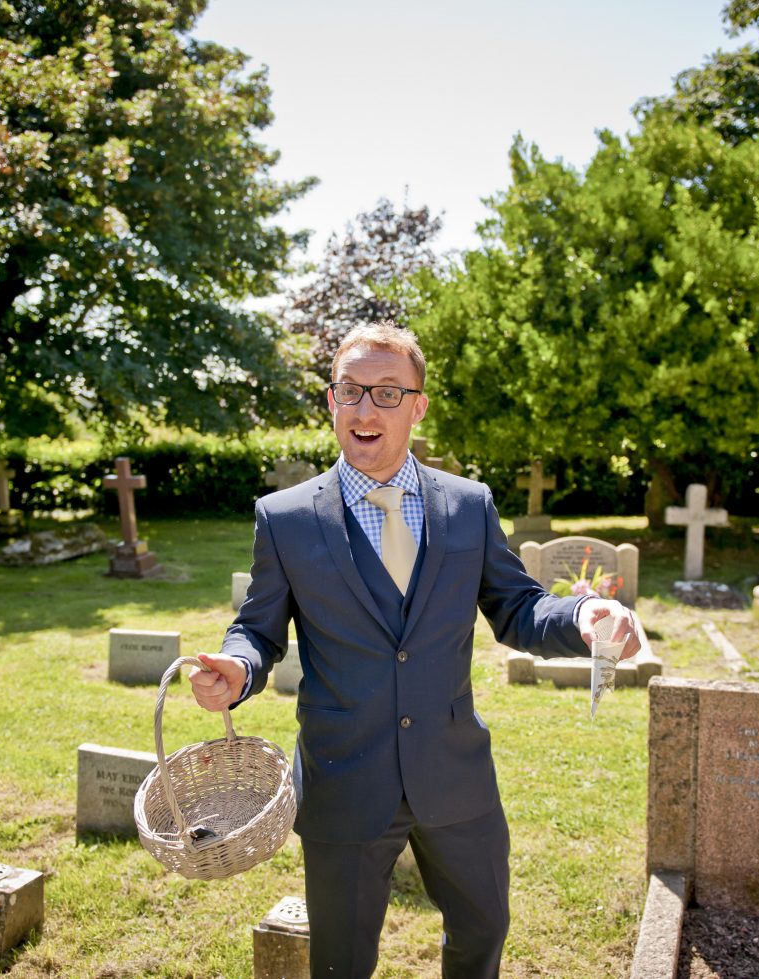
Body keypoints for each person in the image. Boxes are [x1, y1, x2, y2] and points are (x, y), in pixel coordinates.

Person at [189, 322, 641, 979]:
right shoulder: (284, 518)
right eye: (351, 391)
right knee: (341, 962)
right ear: (331, 400)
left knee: (484, 929)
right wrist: (239, 668)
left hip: (455, 773)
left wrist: (579, 613)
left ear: (419, 406)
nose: (365, 409)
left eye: (388, 393)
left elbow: (517, 607)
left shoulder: (468, 506)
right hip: (344, 778)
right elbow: (257, 630)